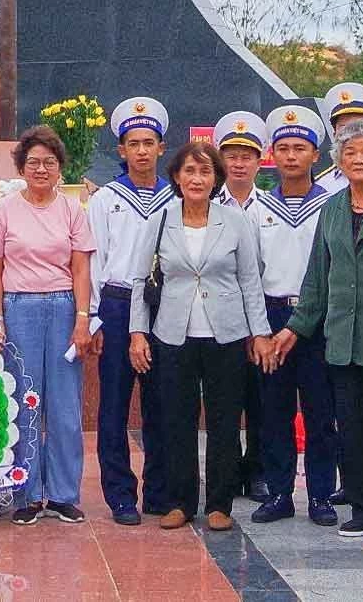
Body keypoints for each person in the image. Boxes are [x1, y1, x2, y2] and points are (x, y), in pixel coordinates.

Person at [266, 120, 363, 543]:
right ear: (337, 161)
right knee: (351, 428)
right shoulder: (333, 209)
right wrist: (294, 331)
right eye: (350, 153)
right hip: (342, 342)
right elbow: (318, 279)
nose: (358, 160)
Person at [130, 141, 269, 532]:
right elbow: (140, 279)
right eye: (190, 171)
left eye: (205, 172)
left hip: (226, 333)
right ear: (177, 176)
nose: (197, 179)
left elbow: (250, 280)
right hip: (173, 334)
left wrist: (259, 333)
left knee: (225, 420)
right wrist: (137, 333)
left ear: (216, 179)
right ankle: (179, 501)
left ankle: (220, 503)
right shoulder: (159, 220)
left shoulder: (234, 220)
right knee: (177, 419)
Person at [0, 123, 97, 526]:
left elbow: (81, 269)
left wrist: (83, 319)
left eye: (49, 162)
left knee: (64, 405)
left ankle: (63, 494)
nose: (41, 170)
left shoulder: (72, 210)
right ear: (21, 167)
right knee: (24, 402)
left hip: (64, 307)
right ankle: (27, 493)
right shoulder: (5, 210)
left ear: (60, 167)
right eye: (33, 163)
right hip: (19, 309)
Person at [247, 105, 339, 526]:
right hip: (271, 315)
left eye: (299, 148)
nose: (290, 156)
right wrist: (257, 332)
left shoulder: (334, 207)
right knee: (274, 412)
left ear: (315, 154)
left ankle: (320, 495)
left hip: (319, 320)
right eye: (282, 148)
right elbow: (248, 275)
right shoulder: (258, 208)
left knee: (321, 413)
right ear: (271, 154)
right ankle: (280, 492)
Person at [89, 95, 175, 525]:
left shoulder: (176, 198)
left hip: (165, 307)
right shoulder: (105, 199)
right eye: (133, 143)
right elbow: (94, 259)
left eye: (150, 142)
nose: (142, 150)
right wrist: (94, 317)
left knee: (162, 403)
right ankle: (121, 494)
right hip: (119, 305)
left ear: (162, 148)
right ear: (121, 151)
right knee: (114, 406)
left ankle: (159, 491)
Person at [212, 110, 269, 503]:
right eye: (231, 154)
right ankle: (227, 473)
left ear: (259, 159)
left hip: (264, 316)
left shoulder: (271, 206)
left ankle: (259, 472)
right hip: (220, 318)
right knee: (225, 402)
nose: (238, 162)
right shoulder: (204, 204)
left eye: (246, 155)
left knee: (262, 400)